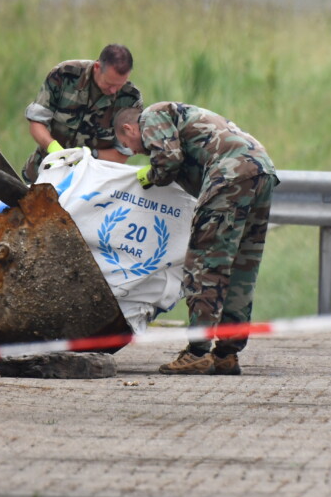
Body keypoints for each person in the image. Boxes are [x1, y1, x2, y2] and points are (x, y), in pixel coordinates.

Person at [113, 103, 278, 376]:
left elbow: (167, 161)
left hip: (230, 175)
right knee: (241, 266)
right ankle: (227, 354)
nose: (133, 151)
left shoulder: (152, 116)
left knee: (205, 264)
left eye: (126, 143)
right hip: (262, 171)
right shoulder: (179, 116)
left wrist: (150, 176)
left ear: (130, 128)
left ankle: (197, 353)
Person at [21, 44, 142, 183]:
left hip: (90, 185)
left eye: (119, 85)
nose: (114, 90)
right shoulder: (65, 75)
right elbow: (37, 122)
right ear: (97, 67)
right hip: (44, 173)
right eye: (109, 84)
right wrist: (56, 151)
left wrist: (86, 156)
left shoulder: (130, 99)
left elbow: (122, 153)